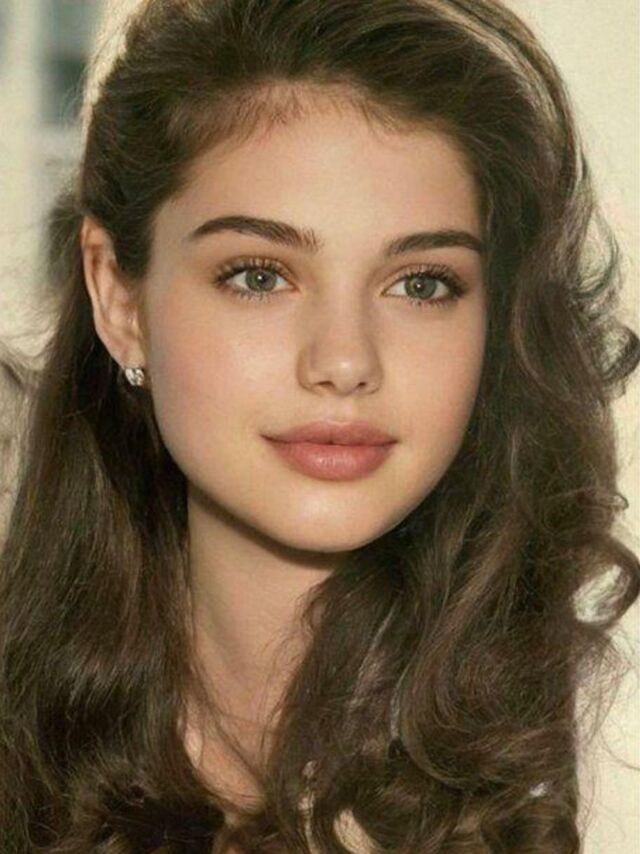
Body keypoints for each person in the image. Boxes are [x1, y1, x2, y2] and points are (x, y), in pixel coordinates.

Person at [1, 0, 638, 851]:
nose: (344, 361)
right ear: (119, 298)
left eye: (421, 284)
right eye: (259, 276)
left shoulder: (605, 759)